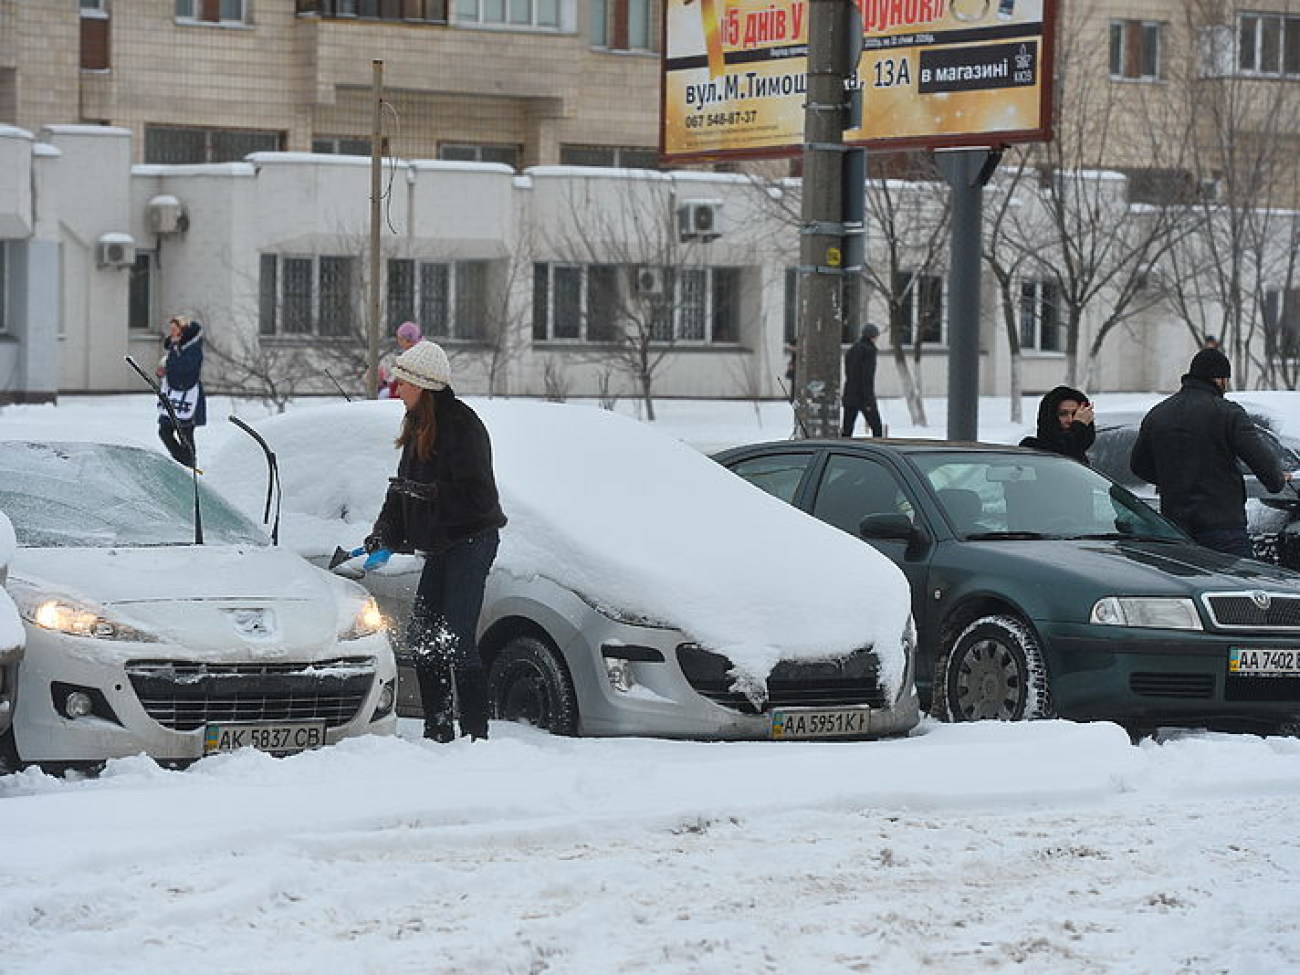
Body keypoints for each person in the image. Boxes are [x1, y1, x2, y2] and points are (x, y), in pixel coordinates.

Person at [365, 340, 508, 742]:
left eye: (403, 381)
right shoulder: (417, 425)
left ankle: (476, 735)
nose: (397, 388)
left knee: (456, 637)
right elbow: (400, 491)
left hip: (471, 541)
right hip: (442, 547)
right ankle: (438, 727)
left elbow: (478, 495)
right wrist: (384, 535)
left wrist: (431, 496)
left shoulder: (463, 426)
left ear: (423, 385)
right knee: (423, 636)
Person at [1130, 347, 1292, 558]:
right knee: (1234, 588)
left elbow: (1138, 465)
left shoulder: (1158, 414)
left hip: (1176, 528)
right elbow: (1263, 464)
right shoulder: (1229, 413)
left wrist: (1173, 478)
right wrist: (1278, 479)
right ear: (1220, 380)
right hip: (1223, 527)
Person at [154, 315, 206, 468]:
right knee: (164, 431)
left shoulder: (193, 350)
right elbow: (171, 366)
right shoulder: (174, 349)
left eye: (175, 330)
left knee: (186, 434)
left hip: (188, 394)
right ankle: (181, 460)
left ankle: (189, 464)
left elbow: (185, 369)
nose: (172, 333)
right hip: (173, 394)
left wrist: (169, 365)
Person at [1019, 385, 1096, 464]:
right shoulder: (1031, 451)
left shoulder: (1081, 457)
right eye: (1063, 414)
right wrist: (1079, 427)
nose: (1070, 420)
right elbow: (1061, 449)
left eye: (1075, 414)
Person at [841, 324, 883, 438]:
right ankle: (876, 452)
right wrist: (869, 400)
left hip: (849, 393)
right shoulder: (869, 351)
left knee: (847, 429)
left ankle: (843, 451)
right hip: (863, 396)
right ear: (872, 337)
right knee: (877, 428)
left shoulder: (852, 350)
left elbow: (849, 373)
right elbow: (867, 377)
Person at [378, 321, 423, 398]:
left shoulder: (413, 357)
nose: (398, 342)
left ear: (407, 340)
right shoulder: (418, 352)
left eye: (400, 339)